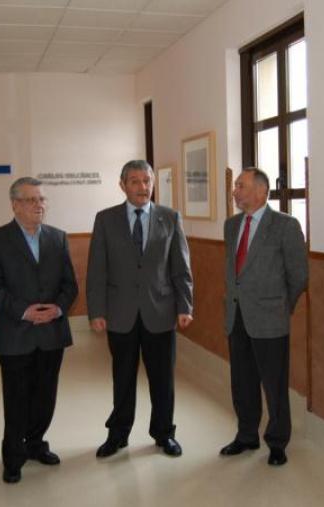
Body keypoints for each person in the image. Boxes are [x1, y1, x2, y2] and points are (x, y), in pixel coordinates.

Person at [86, 159, 194, 458]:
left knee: (163, 379)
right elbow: (97, 269)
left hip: (160, 312)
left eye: (147, 181)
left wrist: (185, 304)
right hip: (120, 314)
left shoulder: (169, 218)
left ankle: (164, 434)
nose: (142, 187)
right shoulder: (106, 219)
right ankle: (118, 434)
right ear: (122, 185)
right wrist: (96, 311)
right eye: (134, 181)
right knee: (122, 378)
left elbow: (181, 268)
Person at [0, 178, 78, 484]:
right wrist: (24, 311)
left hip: (52, 333)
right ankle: (13, 457)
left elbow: (69, 284)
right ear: (15, 205)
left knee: (45, 396)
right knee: (16, 398)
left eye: (42, 199)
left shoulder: (58, 237)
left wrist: (58, 308)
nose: (39, 205)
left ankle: (36, 444)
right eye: (31, 200)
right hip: (15, 333)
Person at [219, 168, 308, 467]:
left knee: (274, 384)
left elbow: (299, 275)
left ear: (260, 191)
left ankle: (277, 442)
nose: (235, 191)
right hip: (237, 316)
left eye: (240, 186)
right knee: (242, 381)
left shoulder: (285, 225)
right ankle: (246, 435)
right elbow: (234, 272)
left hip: (270, 318)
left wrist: (282, 305)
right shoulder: (231, 226)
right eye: (235, 186)